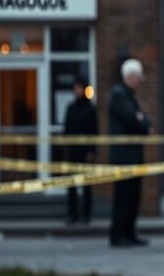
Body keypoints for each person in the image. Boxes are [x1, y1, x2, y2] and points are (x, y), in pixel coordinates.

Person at [108, 59, 152, 247]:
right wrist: (141, 121)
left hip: (132, 156)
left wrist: (142, 120)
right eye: (137, 78)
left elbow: (144, 120)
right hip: (124, 157)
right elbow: (135, 120)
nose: (139, 83)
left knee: (133, 197)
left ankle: (129, 232)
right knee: (124, 197)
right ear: (129, 76)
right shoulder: (120, 96)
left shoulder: (129, 96)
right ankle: (118, 234)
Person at [63, 76, 98, 225]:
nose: (76, 91)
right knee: (71, 184)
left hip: (85, 153)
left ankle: (86, 215)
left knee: (86, 185)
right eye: (75, 88)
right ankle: (73, 214)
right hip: (73, 151)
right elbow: (67, 129)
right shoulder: (70, 108)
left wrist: (92, 151)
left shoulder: (90, 109)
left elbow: (94, 131)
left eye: (79, 88)